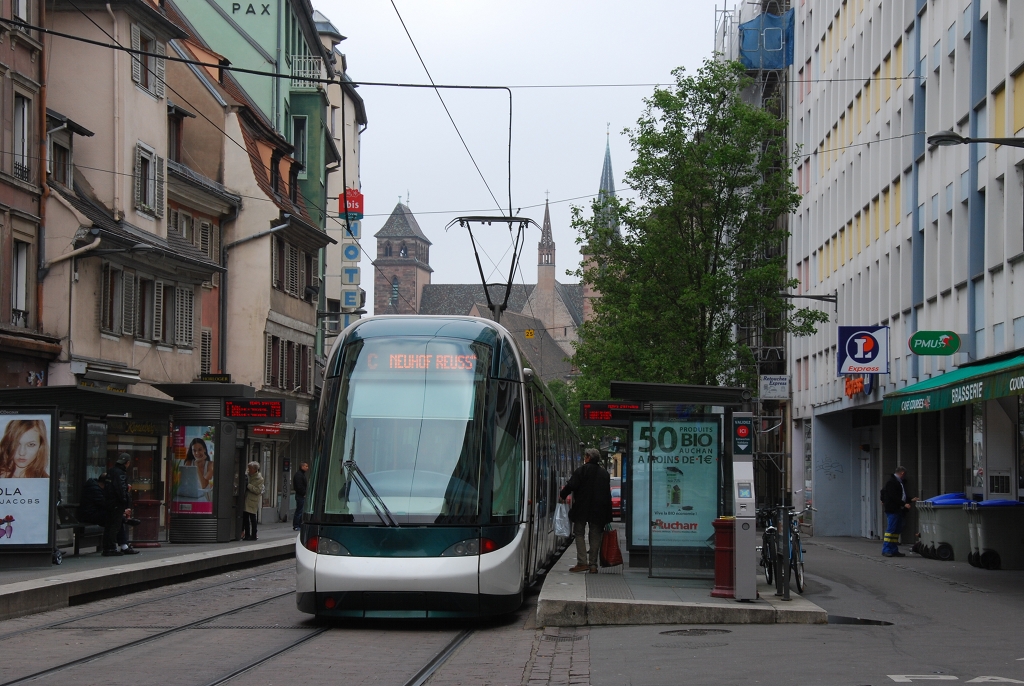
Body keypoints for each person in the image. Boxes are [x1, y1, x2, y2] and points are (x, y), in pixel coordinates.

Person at [559, 448, 613, 573]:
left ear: (588, 457)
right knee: (595, 535)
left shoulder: (581, 471)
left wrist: (562, 495)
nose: (585, 458)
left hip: (581, 509)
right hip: (599, 510)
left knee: (579, 533)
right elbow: (607, 494)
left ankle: (582, 562)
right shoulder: (604, 473)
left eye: (585, 456)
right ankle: (593, 565)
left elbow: (571, 486)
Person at [103, 454, 138, 556]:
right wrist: (125, 503)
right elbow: (121, 490)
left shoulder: (111, 471)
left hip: (109, 502)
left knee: (109, 526)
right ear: (127, 463)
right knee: (115, 526)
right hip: (116, 504)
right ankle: (110, 548)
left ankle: (108, 547)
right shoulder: (121, 473)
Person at [881, 466, 918, 557]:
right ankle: (886, 549)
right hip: (893, 509)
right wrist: (904, 504)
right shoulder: (892, 482)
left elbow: (901, 496)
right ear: (902, 473)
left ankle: (893, 549)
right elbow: (894, 496)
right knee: (891, 530)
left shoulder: (898, 482)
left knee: (896, 530)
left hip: (897, 509)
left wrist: (910, 500)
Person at [243, 461, 264, 541]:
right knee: (245, 518)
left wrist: (248, 485)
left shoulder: (259, 478)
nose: (249, 470)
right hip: (246, 499)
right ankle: (247, 534)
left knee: (252, 517)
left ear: (255, 469)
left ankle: (254, 534)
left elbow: (258, 490)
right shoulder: (248, 475)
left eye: (250, 468)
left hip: (252, 500)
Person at [292, 462, 309, 531]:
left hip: (301, 495)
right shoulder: (299, 475)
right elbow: (299, 486)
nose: (307, 468)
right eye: (306, 466)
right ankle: (296, 525)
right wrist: (304, 493)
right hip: (300, 495)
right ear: (302, 467)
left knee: (300, 510)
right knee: (299, 510)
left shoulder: (301, 474)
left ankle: (299, 524)